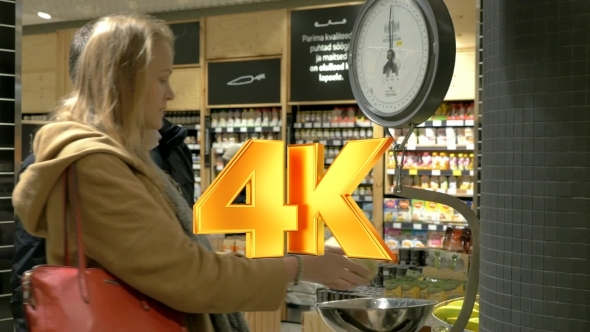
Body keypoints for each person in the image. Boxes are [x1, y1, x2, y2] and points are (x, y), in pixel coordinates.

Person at [11, 13, 371, 332]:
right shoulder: (94, 166)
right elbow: (189, 276)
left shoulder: (123, 156)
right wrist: (297, 268)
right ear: (124, 82)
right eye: (162, 79)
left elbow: (176, 260)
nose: (170, 94)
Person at [9, 19, 204, 332]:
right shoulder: (64, 164)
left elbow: (185, 241)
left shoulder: (171, 147)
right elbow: (33, 269)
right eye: (158, 78)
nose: (170, 93)